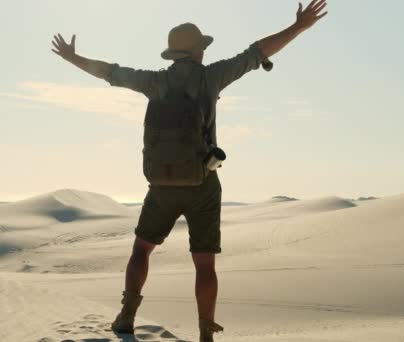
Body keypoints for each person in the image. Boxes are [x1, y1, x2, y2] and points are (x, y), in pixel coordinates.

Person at [51, 1, 328, 340]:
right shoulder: (211, 77)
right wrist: (298, 27)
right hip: (203, 182)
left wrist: (73, 58)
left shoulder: (153, 82)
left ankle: (126, 316)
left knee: (141, 250)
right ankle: (205, 333)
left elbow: (109, 71)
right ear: (197, 50)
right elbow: (256, 52)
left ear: (173, 54)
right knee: (205, 264)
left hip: (162, 184)